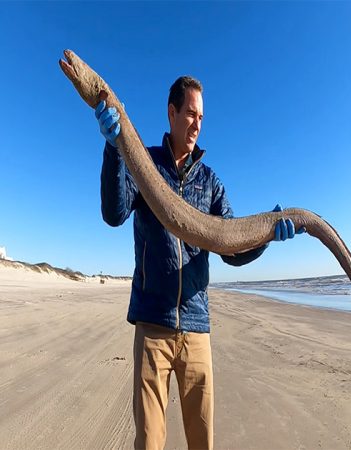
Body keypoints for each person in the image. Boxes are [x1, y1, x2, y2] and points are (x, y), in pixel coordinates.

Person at [96, 76, 303, 449]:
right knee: (148, 442)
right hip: (152, 325)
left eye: (202, 117)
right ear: (172, 112)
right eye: (190, 113)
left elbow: (231, 250)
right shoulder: (144, 163)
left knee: (202, 442)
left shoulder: (211, 183)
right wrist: (114, 151)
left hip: (196, 327)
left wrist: (268, 238)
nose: (197, 123)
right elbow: (114, 213)